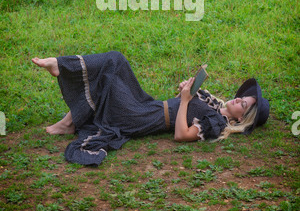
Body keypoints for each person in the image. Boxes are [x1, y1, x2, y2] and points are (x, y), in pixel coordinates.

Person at [32, 51, 270, 166]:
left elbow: (181, 135)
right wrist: (183, 91)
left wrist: (186, 100)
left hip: (141, 118)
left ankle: (62, 80)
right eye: (242, 98)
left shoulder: (218, 125)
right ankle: (67, 116)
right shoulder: (213, 103)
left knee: (111, 70)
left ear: (240, 120)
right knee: (116, 61)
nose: (238, 100)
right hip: (148, 104)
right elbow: (180, 103)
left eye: (244, 105)